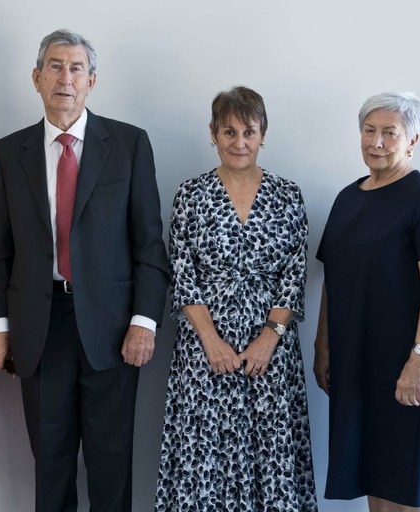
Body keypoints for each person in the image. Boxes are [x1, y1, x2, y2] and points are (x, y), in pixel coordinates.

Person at [0, 29, 168, 511]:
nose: (66, 78)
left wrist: (144, 322)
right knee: (51, 469)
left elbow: (149, 246)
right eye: (55, 66)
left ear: (91, 81)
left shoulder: (128, 144)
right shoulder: (8, 153)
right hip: (40, 329)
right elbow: (0, 252)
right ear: (36, 78)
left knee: (111, 468)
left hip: (114, 330)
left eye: (76, 68)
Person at [156, 86, 317, 510]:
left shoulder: (288, 195)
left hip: (271, 351)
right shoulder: (190, 195)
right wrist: (211, 341)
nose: (240, 142)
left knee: (271, 453)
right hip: (204, 348)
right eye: (229, 132)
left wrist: (268, 339)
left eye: (249, 132)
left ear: (264, 134)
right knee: (204, 458)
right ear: (213, 134)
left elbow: (294, 274)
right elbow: (183, 274)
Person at [314, 92, 420, 512]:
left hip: (404, 362)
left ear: (411, 141)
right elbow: (332, 281)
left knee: (405, 481)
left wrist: (418, 362)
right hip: (355, 358)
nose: (376, 142)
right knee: (371, 475)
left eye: (389, 133)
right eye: (369, 130)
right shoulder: (348, 198)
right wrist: (323, 347)